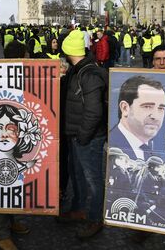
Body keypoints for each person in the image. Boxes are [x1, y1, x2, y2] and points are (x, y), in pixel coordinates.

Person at [61, 29, 108, 239]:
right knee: (78, 176)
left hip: (88, 137)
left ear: (68, 50)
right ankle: (78, 209)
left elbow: (94, 111)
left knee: (93, 180)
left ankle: (95, 218)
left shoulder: (88, 74)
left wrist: (82, 136)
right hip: (76, 134)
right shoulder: (78, 69)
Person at [0, 40, 31, 250]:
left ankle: (11, 220)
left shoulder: (25, 75)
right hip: (1, 137)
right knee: (0, 182)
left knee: (15, 181)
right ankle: (0, 232)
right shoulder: (0, 76)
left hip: (19, 136)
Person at [110, 76, 165, 161]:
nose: (156, 116)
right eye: (147, 106)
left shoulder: (153, 154)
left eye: (161, 108)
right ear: (125, 108)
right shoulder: (111, 147)